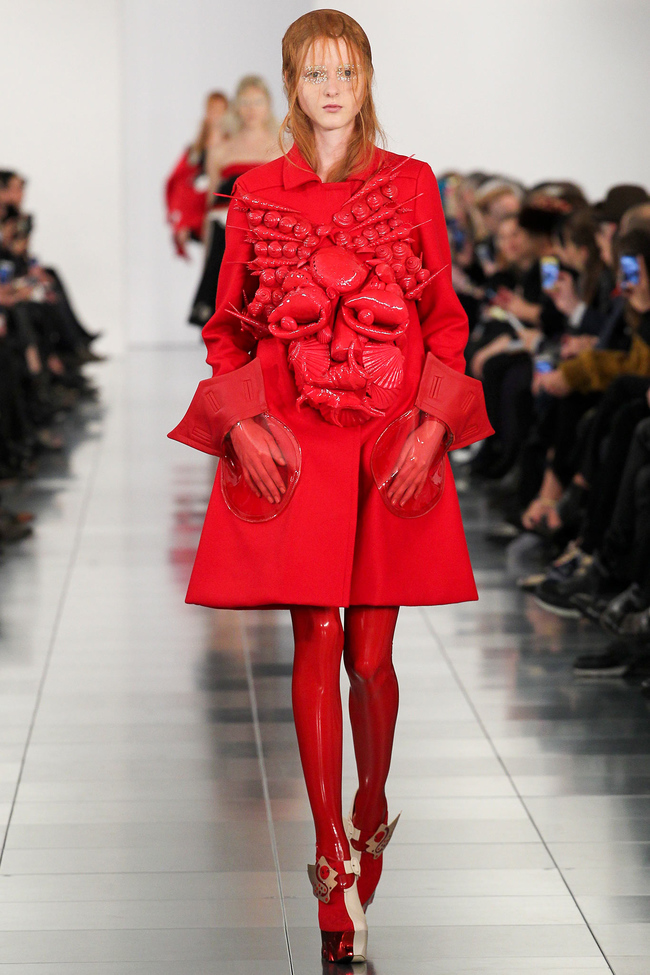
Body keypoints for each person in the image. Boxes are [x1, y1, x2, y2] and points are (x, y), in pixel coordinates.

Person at [169, 9, 491, 964]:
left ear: (367, 78)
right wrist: (242, 422)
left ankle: (371, 800)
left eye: (346, 71)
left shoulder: (411, 183)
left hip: (390, 436)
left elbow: (445, 319)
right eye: (315, 73)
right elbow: (227, 326)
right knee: (315, 631)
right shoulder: (255, 191)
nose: (333, 89)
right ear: (291, 84)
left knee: (372, 655)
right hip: (297, 438)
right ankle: (326, 852)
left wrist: (433, 426)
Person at [188, 76, 281, 327]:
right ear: (237, 106)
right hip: (226, 243)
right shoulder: (221, 151)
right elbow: (210, 208)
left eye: (257, 102)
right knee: (224, 315)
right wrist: (206, 254)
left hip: (267, 244)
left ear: (268, 105)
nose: (251, 109)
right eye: (245, 102)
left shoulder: (283, 148)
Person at [165, 91, 229, 257]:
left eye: (221, 110)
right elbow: (179, 185)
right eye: (213, 110)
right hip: (201, 218)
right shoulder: (195, 151)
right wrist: (182, 222)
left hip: (225, 214)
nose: (217, 115)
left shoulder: (234, 147)